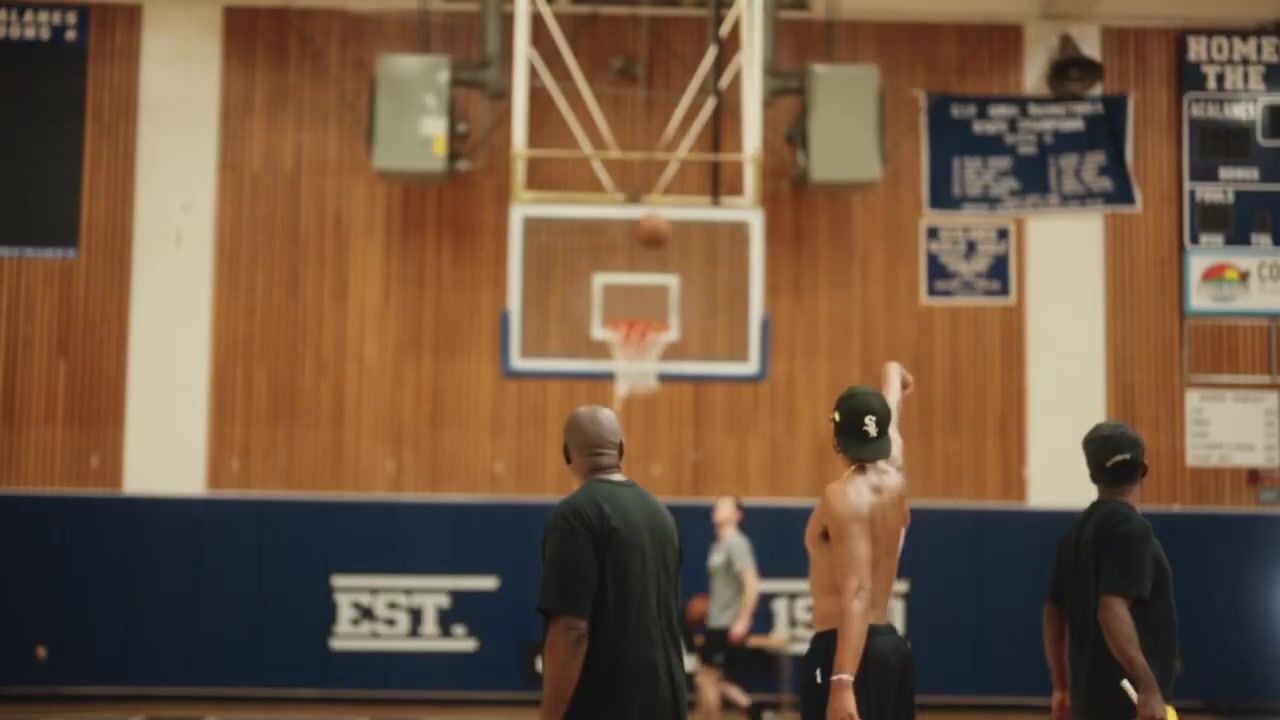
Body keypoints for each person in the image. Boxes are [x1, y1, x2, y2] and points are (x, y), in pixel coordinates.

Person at [537, 405, 688, 720]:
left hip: (608, 703)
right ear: (621, 449)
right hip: (669, 700)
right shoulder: (661, 514)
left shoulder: (575, 515)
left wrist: (550, 714)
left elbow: (571, 628)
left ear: (566, 453)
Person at [801, 361, 915, 720]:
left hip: (844, 653)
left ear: (836, 435)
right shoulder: (895, 480)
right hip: (889, 649)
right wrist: (894, 377)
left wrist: (841, 681)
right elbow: (890, 424)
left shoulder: (841, 495)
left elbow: (858, 592)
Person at [1042, 422, 1179, 720]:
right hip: (1131, 705)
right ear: (1143, 469)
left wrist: (1061, 687)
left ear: (1093, 475)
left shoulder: (1076, 533)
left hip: (1089, 702)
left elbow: (1053, 613)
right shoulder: (1133, 530)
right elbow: (1112, 609)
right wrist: (1148, 687)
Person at [696, 496, 763, 720]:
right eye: (717, 506)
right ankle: (754, 710)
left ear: (737, 515)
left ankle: (752, 710)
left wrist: (743, 620)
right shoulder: (717, 546)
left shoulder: (738, 544)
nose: (717, 509)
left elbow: (751, 583)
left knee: (706, 678)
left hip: (728, 622)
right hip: (715, 621)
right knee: (713, 679)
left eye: (724, 506)